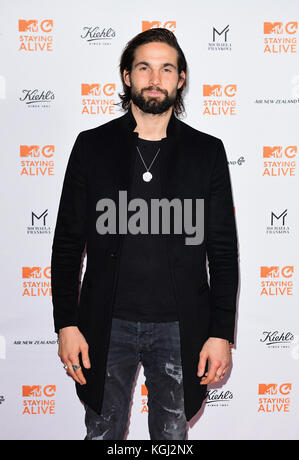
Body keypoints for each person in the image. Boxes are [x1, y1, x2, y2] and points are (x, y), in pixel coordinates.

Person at [51, 28, 239, 440]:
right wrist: (66, 323)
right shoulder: (91, 147)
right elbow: (67, 244)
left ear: (181, 78)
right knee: (102, 432)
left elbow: (223, 252)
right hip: (105, 322)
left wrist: (221, 333)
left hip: (180, 326)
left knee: (172, 438)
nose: (155, 78)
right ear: (126, 76)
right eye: (144, 67)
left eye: (166, 68)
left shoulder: (207, 152)